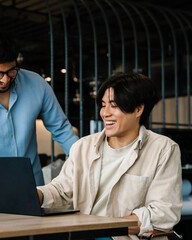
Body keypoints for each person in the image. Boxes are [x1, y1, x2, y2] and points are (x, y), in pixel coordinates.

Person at [37, 73, 182, 240]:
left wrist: (106, 227)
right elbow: (61, 191)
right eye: (103, 105)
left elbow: (163, 213)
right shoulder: (83, 146)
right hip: (84, 235)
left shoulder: (163, 149)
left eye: (114, 106)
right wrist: (35, 195)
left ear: (138, 109)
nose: (105, 113)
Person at [0, 32, 78, 209]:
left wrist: (87, 164)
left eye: (11, 71)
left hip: (34, 186)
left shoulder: (36, 84)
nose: (4, 80)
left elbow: (62, 130)